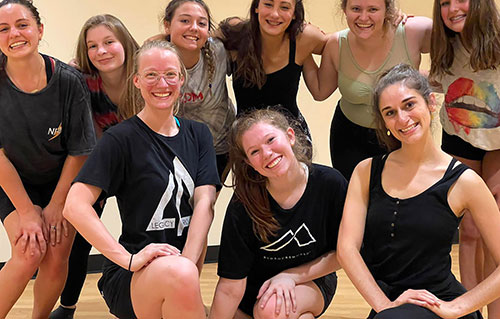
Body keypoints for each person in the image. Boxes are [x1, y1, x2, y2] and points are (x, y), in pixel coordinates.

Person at [63, 40, 219, 319]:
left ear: (181, 79)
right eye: (151, 74)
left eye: (170, 74)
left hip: (181, 269)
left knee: (181, 276)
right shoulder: (120, 139)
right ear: (137, 81)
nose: (162, 82)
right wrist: (128, 260)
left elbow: (205, 204)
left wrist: (187, 266)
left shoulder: (199, 135)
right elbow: (74, 206)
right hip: (134, 274)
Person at [337, 64, 500, 319]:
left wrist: (458, 306)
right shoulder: (366, 171)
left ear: (431, 103)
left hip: (438, 304)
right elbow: (346, 248)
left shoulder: (464, 181)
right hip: (390, 309)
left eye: (409, 105)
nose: (402, 119)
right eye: (390, 112)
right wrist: (383, 305)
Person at [0, 0, 96, 318]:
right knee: (29, 252)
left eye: (22, 25)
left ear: (40, 30)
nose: (14, 34)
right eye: (3, 29)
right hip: (12, 181)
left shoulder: (69, 81)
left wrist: (57, 205)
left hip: (61, 182)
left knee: (56, 254)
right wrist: (27, 211)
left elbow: (80, 149)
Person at [210, 109, 347, 319]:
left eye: (271, 140)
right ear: (249, 163)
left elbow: (344, 253)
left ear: (290, 136)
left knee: (273, 308)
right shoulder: (244, 201)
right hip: (253, 292)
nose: (266, 153)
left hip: (310, 280)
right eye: (254, 152)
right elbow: (230, 285)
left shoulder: (330, 183)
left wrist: (290, 276)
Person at [50, 14, 140, 319]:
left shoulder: (144, 75)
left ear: (125, 43)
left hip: (140, 165)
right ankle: (68, 305)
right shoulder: (83, 80)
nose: (101, 51)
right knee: (77, 233)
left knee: (146, 228)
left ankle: (145, 296)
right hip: (101, 162)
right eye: (93, 46)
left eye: (109, 42)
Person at [310, 0, 432, 180]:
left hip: (404, 133)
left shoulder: (413, 31)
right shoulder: (336, 44)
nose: (363, 17)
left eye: (373, 9)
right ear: (345, 10)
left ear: (388, 10)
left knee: (401, 204)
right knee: (356, 203)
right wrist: (302, 51)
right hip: (349, 138)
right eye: (356, 9)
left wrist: (421, 80)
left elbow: (458, 46)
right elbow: (321, 92)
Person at [430, 0, 500, 317]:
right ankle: (468, 310)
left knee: (494, 232)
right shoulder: (445, 46)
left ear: (481, 1)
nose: (453, 9)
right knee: (469, 229)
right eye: (445, 2)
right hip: (461, 137)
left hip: (499, 143)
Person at [219, 0, 329, 139]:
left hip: (292, 138)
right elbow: (196, 39)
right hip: (247, 140)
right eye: (268, 4)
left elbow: (337, 43)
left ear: (294, 14)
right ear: (257, 6)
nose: (275, 14)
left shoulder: (304, 37)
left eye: (284, 7)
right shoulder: (236, 33)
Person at [162, 0, 235, 184]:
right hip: (174, 148)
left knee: (204, 205)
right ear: (167, 25)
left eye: (201, 23)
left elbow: (246, 27)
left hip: (219, 147)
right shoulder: (156, 57)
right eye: (185, 21)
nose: (193, 28)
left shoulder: (219, 52)